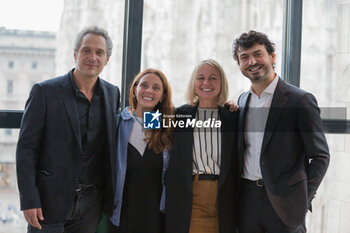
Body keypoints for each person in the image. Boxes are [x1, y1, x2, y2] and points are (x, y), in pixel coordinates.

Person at [16, 26, 120, 233]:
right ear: (75, 54)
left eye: (99, 52)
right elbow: (26, 150)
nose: (93, 57)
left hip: (90, 204)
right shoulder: (45, 92)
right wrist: (29, 199)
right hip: (48, 202)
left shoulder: (112, 93)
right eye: (86, 50)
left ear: (107, 59)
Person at [232, 30, 330, 233]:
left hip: (285, 203)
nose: (252, 61)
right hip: (247, 201)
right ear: (240, 64)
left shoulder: (300, 100)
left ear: (272, 56)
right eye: (244, 57)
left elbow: (320, 156)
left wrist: (302, 197)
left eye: (258, 54)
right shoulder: (242, 101)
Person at [166, 59, 239, 233]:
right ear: (193, 83)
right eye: (201, 78)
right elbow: (145, 122)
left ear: (221, 84)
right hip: (188, 199)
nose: (206, 83)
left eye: (213, 78)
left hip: (222, 200)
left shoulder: (233, 118)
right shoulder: (180, 115)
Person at [108, 68, 174, 233]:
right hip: (121, 216)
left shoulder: (165, 128)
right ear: (135, 89)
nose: (149, 91)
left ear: (163, 95)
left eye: (156, 88)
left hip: (155, 217)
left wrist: (229, 107)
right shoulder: (118, 124)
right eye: (144, 85)